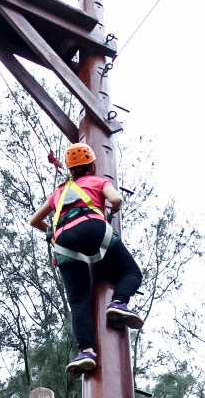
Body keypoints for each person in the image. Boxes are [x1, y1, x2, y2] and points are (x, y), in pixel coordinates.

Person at [29, 143, 144, 377]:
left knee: (79, 299)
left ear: (70, 170)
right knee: (132, 272)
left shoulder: (58, 193)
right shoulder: (99, 181)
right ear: (92, 165)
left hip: (64, 242)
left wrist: (50, 230)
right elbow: (117, 200)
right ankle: (118, 303)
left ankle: (86, 351)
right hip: (94, 229)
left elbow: (34, 220)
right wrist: (108, 210)